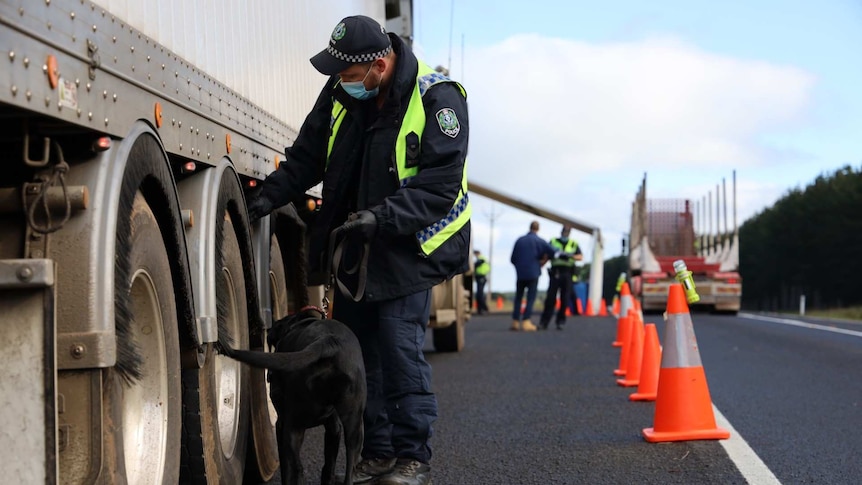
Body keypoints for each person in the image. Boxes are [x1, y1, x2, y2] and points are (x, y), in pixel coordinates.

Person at [246, 15, 470, 485]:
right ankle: (378, 451)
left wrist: (382, 218)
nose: (342, 85)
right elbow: (308, 155)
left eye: (349, 76)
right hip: (357, 246)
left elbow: (440, 185)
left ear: (380, 65)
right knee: (360, 354)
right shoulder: (342, 92)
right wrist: (271, 193)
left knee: (397, 350)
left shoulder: (438, 96)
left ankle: (412, 456)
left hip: (408, 245)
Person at [509, 221, 560, 332]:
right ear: (538, 229)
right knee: (530, 298)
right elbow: (553, 251)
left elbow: (512, 259)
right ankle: (526, 321)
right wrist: (543, 260)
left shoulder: (519, 240)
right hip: (533, 272)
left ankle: (515, 321)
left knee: (518, 297)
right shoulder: (539, 241)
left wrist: (520, 266)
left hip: (520, 273)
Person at [539, 225, 583, 330]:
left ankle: (560, 321)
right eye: (564, 232)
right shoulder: (553, 241)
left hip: (567, 272)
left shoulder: (573, 243)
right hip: (555, 272)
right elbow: (546, 255)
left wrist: (569, 256)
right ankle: (544, 322)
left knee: (565, 298)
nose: (565, 234)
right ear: (561, 232)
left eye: (567, 232)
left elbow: (580, 256)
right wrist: (542, 264)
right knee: (550, 298)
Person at [473, 250, 490, 315]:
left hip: (481, 277)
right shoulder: (481, 259)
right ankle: (480, 309)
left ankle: (484, 308)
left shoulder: (481, 259)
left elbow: (476, 265)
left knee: (480, 294)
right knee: (479, 294)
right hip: (480, 277)